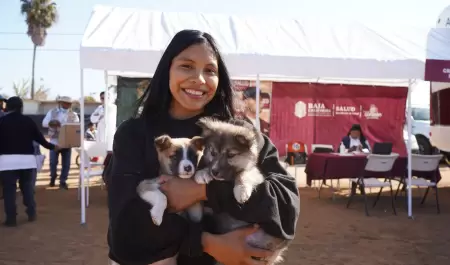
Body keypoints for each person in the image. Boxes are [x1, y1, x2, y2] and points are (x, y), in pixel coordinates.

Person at [106, 29, 300, 265]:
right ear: (167, 69)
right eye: (186, 66)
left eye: (210, 70)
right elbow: (125, 231)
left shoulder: (239, 134)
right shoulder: (134, 135)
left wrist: (204, 191)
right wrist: (207, 243)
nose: (199, 79)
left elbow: (286, 206)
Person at [0, 97, 58, 227]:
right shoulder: (28, 121)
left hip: (6, 162)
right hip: (27, 161)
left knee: (9, 191)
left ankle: (11, 219)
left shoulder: (1, 121)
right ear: (21, 107)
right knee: (27, 188)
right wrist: (53, 147)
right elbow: (40, 139)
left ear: (7, 107)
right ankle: (31, 213)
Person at [42, 96, 80, 189]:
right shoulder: (52, 112)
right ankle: (53, 176)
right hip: (54, 141)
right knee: (53, 162)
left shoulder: (74, 115)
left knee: (66, 164)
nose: (66, 105)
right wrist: (53, 123)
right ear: (61, 103)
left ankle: (63, 181)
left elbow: (76, 126)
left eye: (68, 103)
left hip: (67, 141)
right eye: (65, 102)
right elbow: (44, 123)